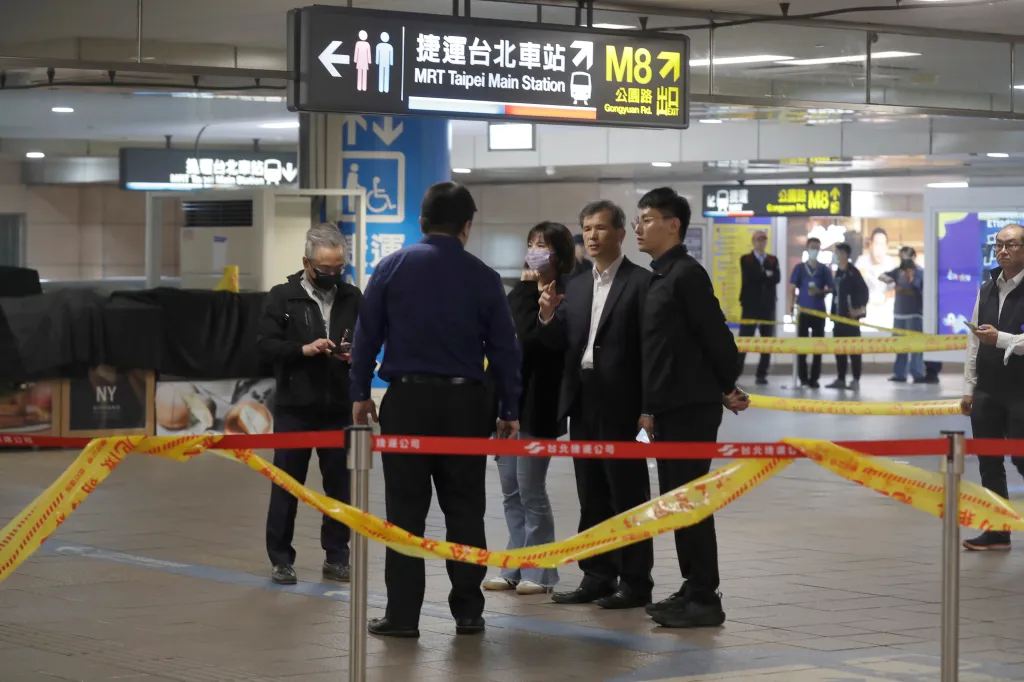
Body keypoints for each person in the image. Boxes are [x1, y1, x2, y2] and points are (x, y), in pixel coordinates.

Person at [349, 182, 521, 638]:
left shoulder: (391, 267)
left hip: (406, 401)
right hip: (467, 404)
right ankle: (469, 612)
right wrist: (509, 408)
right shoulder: (483, 276)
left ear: (422, 221)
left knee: (404, 512)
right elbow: (505, 349)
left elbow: (365, 338)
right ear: (467, 226)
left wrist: (361, 393)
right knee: (465, 507)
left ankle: (403, 616)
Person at [632, 187, 750, 629]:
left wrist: (725, 386)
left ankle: (705, 596)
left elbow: (718, 339)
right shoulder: (662, 275)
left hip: (689, 410)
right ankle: (692, 584)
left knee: (692, 502)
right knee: (679, 502)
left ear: (672, 225)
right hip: (668, 409)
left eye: (647, 219)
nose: (639, 228)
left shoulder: (686, 275)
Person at [539, 199, 654, 610]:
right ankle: (597, 575)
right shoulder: (576, 284)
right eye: (586, 228)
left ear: (621, 234)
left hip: (624, 405)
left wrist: (648, 408)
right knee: (591, 493)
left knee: (628, 492)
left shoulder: (642, 283)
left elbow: (649, 351)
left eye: (601, 228)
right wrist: (548, 316)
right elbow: (561, 348)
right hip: (583, 401)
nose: (591, 236)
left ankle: (636, 580)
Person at [256, 223, 361, 586]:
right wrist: (303, 350)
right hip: (294, 408)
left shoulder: (353, 297)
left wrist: (356, 358)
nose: (331, 275)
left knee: (340, 487)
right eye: (323, 269)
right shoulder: (282, 297)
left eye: (338, 268)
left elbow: (369, 344)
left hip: (337, 407)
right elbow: (264, 345)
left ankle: (337, 555)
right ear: (306, 262)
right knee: (287, 484)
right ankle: (281, 559)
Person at [482, 222, 574, 596]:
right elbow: (507, 343)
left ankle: (542, 570)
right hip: (507, 406)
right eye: (532, 244)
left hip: (540, 405)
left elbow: (544, 347)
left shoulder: (569, 295)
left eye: (544, 246)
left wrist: (546, 313)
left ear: (559, 256)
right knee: (509, 491)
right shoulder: (518, 292)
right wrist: (524, 288)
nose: (535, 251)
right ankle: (513, 564)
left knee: (530, 489)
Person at [960, 223, 1024, 551]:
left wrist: (1001, 339)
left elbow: (999, 338)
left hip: (1020, 391)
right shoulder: (986, 288)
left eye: (1011, 245)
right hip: (988, 388)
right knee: (988, 459)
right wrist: (970, 388)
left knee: (1021, 459)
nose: (1002, 250)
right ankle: (998, 531)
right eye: (999, 245)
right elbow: (974, 342)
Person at [788, 237, 834, 388]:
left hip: (819, 312)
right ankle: (802, 378)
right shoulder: (800, 268)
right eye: (812, 247)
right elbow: (792, 287)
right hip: (803, 311)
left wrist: (822, 291)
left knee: (817, 346)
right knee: (802, 346)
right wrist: (791, 305)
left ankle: (814, 378)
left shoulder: (823, 269)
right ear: (807, 249)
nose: (814, 250)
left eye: (817, 248)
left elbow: (832, 287)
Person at [737, 230, 780, 385]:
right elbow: (750, 277)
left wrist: (764, 275)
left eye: (763, 240)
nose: (761, 243)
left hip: (767, 307)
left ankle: (761, 374)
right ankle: (735, 373)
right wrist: (766, 275)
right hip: (750, 306)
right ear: (753, 242)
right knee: (744, 341)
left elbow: (777, 278)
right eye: (758, 240)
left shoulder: (773, 260)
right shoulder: (746, 259)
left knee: (767, 342)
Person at [826, 242, 870, 390]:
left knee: (853, 350)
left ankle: (856, 379)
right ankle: (841, 378)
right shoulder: (838, 272)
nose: (836, 256)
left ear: (844, 254)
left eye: (837, 253)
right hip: (838, 319)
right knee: (839, 349)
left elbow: (864, 292)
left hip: (850, 320)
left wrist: (858, 310)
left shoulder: (853, 273)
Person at [880, 251, 926, 383]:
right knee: (900, 345)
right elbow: (883, 276)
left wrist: (905, 287)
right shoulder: (897, 271)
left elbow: (918, 291)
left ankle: (917, 373)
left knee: (916, 347)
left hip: (914, 315)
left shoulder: (919, 272)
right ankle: (899, 374)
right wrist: (889, 281)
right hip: (899, 314)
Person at [855, 227, 898, 326]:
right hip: (865, 312)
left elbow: (895, 289)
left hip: (884, 313)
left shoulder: (890, 264)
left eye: (882, 244)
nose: (879, 248)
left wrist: (884, 296)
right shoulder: (861, 261)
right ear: (870, 245)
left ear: (886, 247)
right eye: (876, 243)